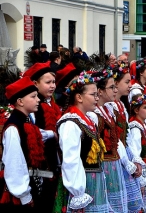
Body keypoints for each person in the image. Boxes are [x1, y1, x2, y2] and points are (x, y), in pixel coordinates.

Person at [57, 71, 110, 212]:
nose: (97, 98)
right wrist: (78, 192)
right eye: (93, 95)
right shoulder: (70, 123)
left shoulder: (89, 119)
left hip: (94, 181)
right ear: (79, 97)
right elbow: (71, 160)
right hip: (81, 184)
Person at [1, 76, 46, 212]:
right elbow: (15, 163)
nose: (38, 99)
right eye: (33, 96)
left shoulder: (26, 120)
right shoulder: (13, 127)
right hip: (20, 195)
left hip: (32, 185)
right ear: (20, 101)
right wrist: (25, 195)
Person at [22, 61, 62, 212]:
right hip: (41, 165)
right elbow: (34, 132)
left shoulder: (52, 103)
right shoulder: (34, 106)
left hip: (53, 162)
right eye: (48, 82)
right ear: (35, 83)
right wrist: (53, 134)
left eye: (54, 82)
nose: (52, 86)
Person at [91, 66, 128, 212]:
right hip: (104, 166)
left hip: (114, 163)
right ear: (100, 91)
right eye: (111, 87)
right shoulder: (94, 114)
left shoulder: (108, 109)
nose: (115, 90)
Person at [109, 64, 145, 212]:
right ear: (116, 84)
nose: (130, 85)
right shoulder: (110, 106)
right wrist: (127, 162)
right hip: (119, 156)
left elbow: (126, 136)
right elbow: (115, 138)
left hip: (126, 153)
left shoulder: (121, 105)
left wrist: (135, 159)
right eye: (127, 82)